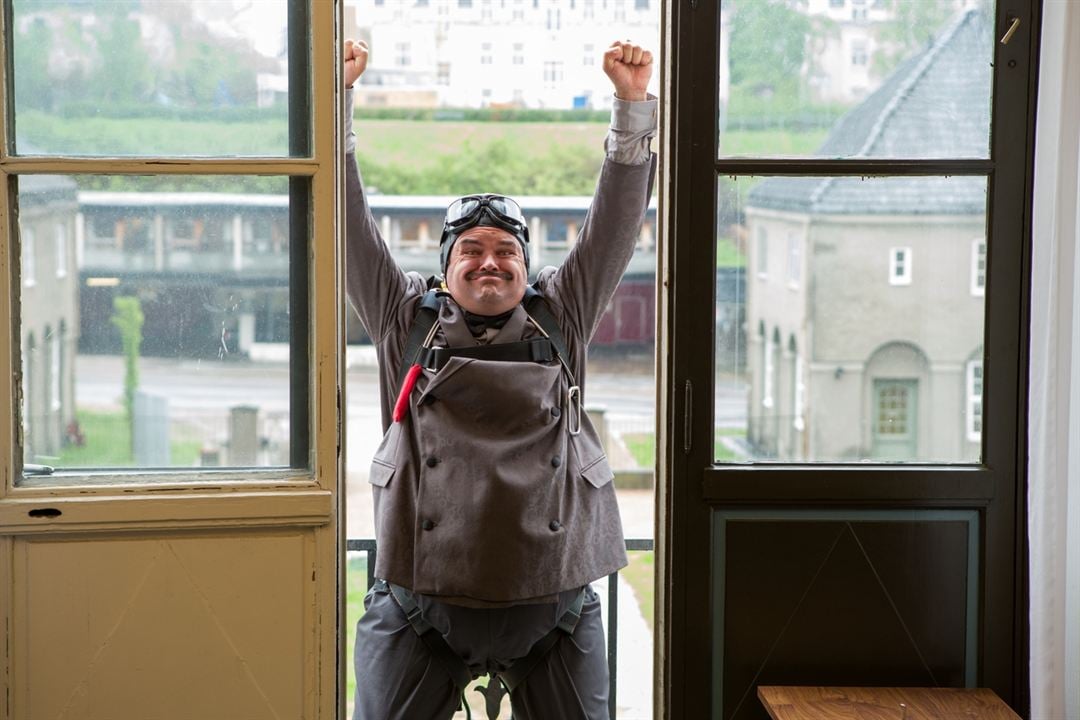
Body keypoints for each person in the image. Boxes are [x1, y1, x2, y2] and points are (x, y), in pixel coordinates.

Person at [343, 37, 657, 720]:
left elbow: (613, 231)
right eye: (472, 252)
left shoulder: (562, 312)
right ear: (447, 268)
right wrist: (337, 103)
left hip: (555, 603)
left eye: (506, 252)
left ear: (525, 265)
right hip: (420, 602)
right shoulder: (405, 320)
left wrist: (631, 108)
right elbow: (347, 229)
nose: (491, 263)